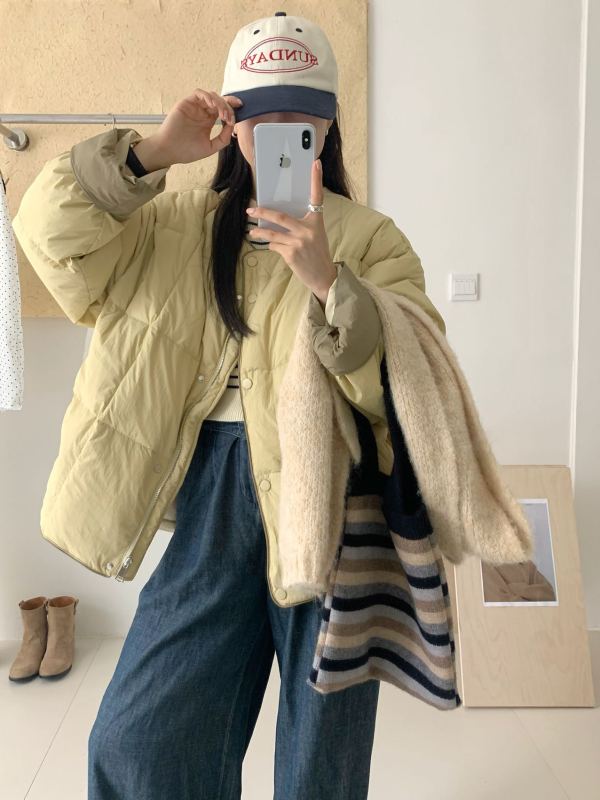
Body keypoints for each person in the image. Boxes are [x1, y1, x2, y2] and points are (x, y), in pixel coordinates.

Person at [12, 11, 446, 800]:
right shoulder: (170, 222)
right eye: (259, 111)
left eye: (301, 113)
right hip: (215, 494)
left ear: (328, 125)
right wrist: (151, 154)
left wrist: (329, 281)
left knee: (320, 755)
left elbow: (411, 376)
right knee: (136, 740)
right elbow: (49, 236)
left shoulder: (370, 237)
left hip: (337, 498)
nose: (279, 130)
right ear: (229, 119)